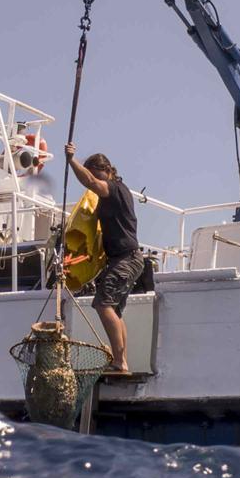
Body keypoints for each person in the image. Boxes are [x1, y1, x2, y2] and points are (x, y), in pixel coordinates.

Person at [62, 144, 143, 374]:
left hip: (126, 259)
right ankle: (122, 362)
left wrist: (71, 160)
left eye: (95, 173)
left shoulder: (114, 189)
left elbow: (89, 181)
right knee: (114, 311)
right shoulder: (118, 191)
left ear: (106, 170)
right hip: (129, 259)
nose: (93, 180)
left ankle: (120, 362)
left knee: (102, 304)